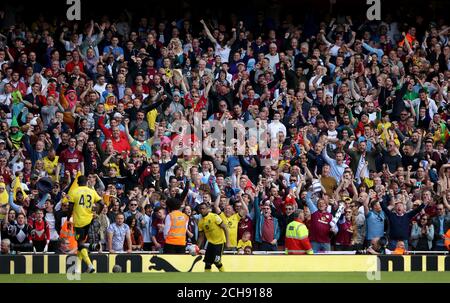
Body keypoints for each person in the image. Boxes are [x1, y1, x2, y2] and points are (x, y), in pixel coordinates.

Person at [67, 175, 103, 273]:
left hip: (79, 221)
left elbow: (70, 207)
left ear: (78, 183)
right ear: (86, 182)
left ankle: (90, 265)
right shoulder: (92, 191)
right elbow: (102, 203)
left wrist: (68, 218)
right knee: (80, 244)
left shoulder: (74, 191)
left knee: (80, 243)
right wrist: (97, 214)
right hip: (89, 220)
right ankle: (77, 269)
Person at [197, 202, 230, 272]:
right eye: (200, 209)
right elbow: (201, 237)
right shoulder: (200, 222)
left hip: (219, 243)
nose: (202, 210)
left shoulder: (214, 216)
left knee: (217, 261)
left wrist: (228, 242)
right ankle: (207, 279)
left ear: (207, 209)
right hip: (211, 243)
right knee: (207, 263)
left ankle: (225, 275)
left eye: (203, 208)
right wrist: (197, 247)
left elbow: (225, 228)